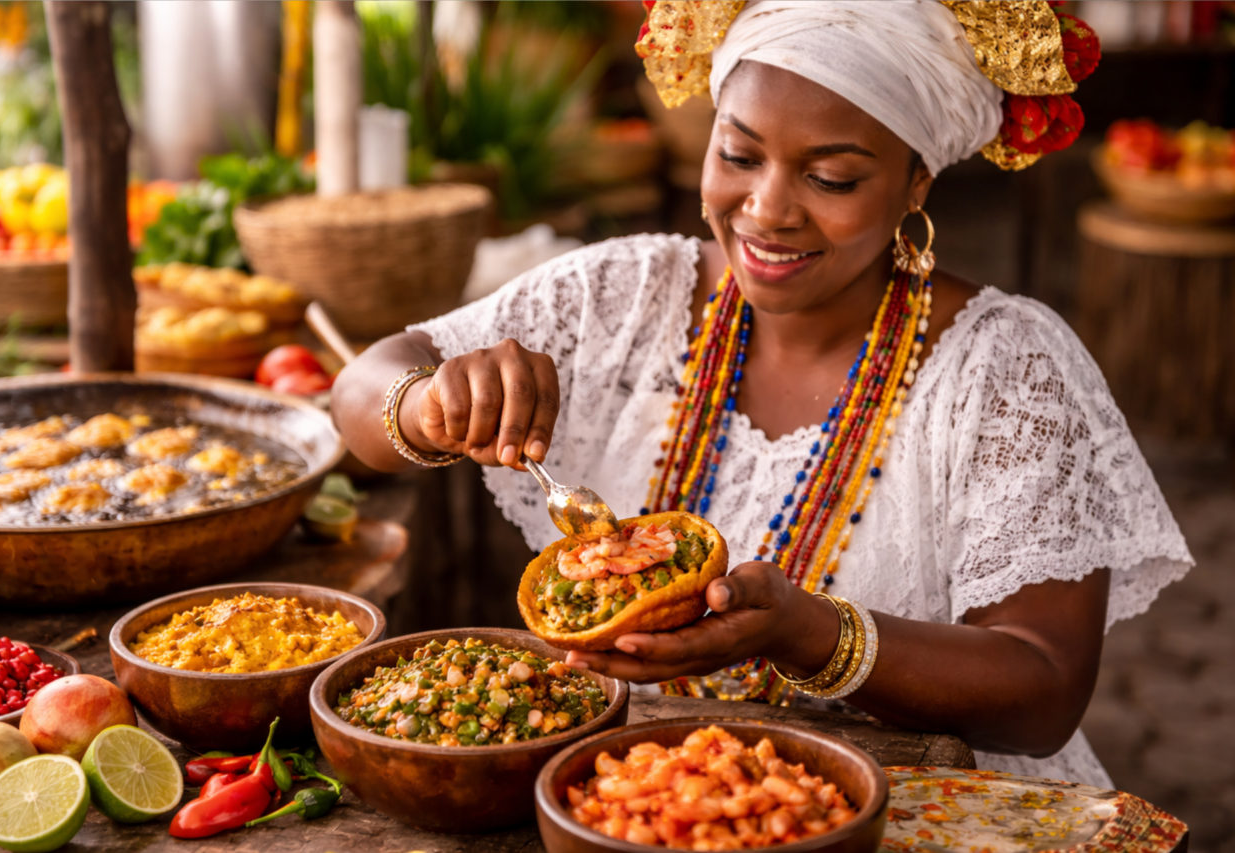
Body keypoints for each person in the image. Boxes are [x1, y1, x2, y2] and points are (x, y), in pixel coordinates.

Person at [333, 1, 1191, 786]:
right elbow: (361, 385)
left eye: (834, 178)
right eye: (737, 155)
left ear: (916, 182)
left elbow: (1041, 695)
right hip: (652, 801)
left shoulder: (1003, 369)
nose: (767, 209)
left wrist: (810, 634)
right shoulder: (630, 296)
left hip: (933, 810)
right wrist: (425, 400)